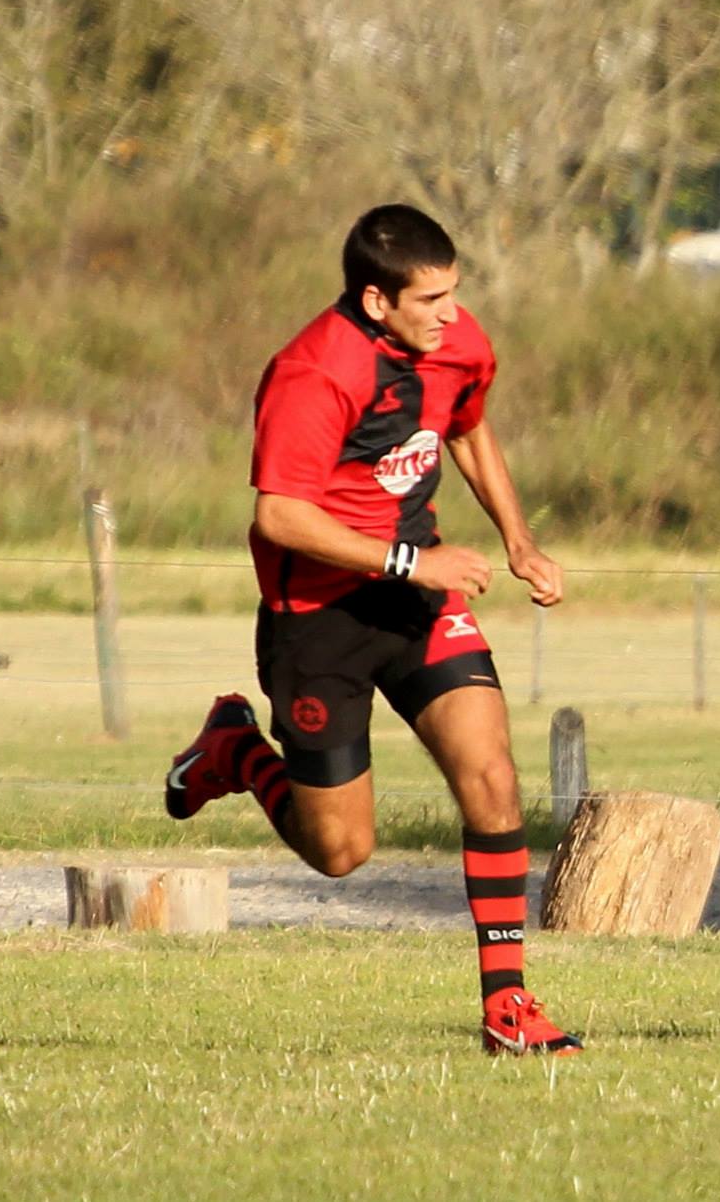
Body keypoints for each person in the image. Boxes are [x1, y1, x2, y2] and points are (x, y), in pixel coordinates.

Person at [164, 204, 581, 1056]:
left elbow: (466, 424)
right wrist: (407, 560)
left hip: (415, 600)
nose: (450, 314)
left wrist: (519, 538)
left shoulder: (455, 343)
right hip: (318, 618)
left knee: (493, 779)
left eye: (455, 293)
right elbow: (280, 516)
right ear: (375, 298)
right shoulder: (314, 372)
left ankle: (508, 1004)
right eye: (430, 299)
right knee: (342, 852)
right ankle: (234, 751)